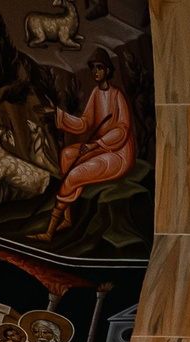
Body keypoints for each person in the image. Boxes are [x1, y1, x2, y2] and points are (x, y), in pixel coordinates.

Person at [48, 55, 135, 240]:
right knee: (67, 154)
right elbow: (85, 123)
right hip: (100, 148)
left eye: (100, 67)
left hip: (118, 153)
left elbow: (123, 129)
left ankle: (50, 230)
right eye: (93, 67)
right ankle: (67, 218)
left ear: (108, 71)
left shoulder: (117, 95)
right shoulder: (96, 93)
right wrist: (59, 114)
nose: (96, 71)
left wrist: (96, 144)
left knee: (75, 174)